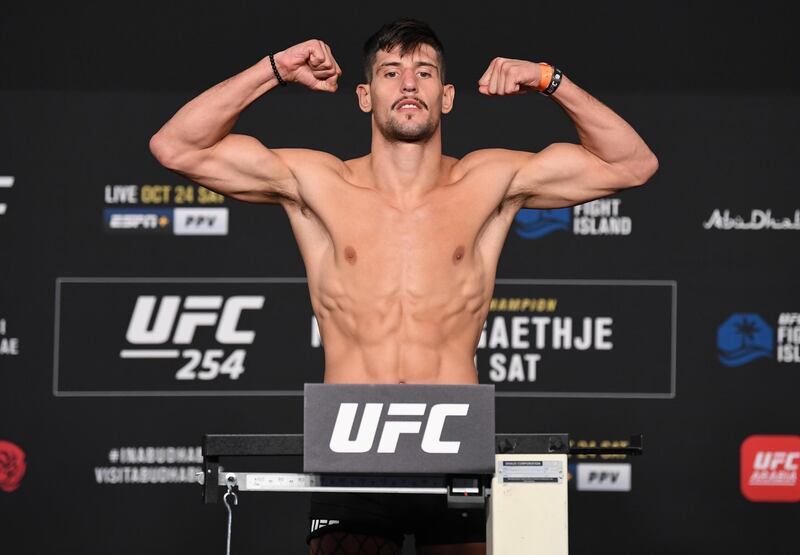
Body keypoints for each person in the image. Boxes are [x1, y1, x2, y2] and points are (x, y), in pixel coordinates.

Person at [150, 17, 658, 555]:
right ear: (365, 96)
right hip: (351, 444)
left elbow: (632, 163)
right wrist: (274, 69)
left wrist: (548, 79)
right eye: (391, 73)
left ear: (449, 95)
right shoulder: (318, 183)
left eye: (424, 72)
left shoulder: (489, 181)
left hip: (454, 442)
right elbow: (176, 147)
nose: (409, 84)